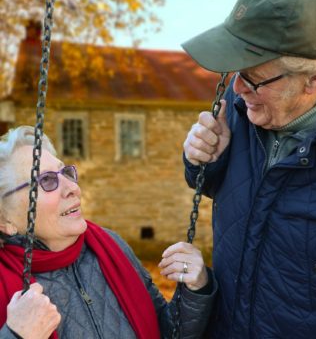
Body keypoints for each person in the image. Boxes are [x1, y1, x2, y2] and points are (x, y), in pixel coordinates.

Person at [182, 0, 316, 338]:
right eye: (237, 73)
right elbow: (218, 187)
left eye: (253, 78)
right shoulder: (241, 108)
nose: (237, 88)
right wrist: (203, 159)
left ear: (313, 80)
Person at [0, 126, 217, 339]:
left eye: (65, 172)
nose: (72, 187)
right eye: (46, 180)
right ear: (4, 220)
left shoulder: (110, 246)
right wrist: (15, 335)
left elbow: (167, 331)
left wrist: (195, 290)